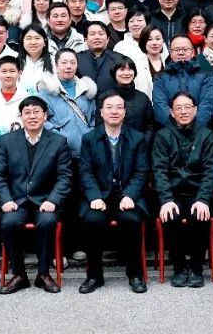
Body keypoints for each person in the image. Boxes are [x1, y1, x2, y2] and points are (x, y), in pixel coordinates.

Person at [0, 96, 74, 294]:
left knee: (47, 222)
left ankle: (43, 274)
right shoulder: (7, 141)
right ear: (20, 116)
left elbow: (65, 176)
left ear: (45, 116)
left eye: (37, 112)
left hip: (45, 200)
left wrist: (53, 200)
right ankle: (19, 274)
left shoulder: (58, 141)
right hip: (16, 201)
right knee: (8, 222)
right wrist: (6, 200)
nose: (32, 116)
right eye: (27, 112)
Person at [77, 92, 150, 294]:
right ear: (101, 112)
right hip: (100, 196)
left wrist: (130, 195)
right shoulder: (90, 138)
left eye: (119, 107)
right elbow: (85, 171)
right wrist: (94, 196)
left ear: (125, 112)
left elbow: (142, 171)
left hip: (126, 195)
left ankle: (135, 274)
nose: (114, 111)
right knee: (92, 220)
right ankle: (94, 276)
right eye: (109, 107)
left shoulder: (137, 138)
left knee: (132, 220)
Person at [151, 92, 213, 288]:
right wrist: (166, 199)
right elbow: (159, 170)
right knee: (170, 215)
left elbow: (210, 170)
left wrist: (203, 199)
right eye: (178, 108)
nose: (183, 111)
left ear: (195, 110)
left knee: (200, 215)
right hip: (173, 194)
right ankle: (179, 268)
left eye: (187, 107)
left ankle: (197, 268)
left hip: (198, 192)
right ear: (172, 112)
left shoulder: (206, 134)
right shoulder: (162, 135)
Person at [37, 48, 97, 158]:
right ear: (56, 65)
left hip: (87, 152)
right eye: (64, 63)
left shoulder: (87, 90)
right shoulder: (47, 92)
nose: (68, 66)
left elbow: (93, 117)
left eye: (72, 62)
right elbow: (40, 119)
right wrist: (59, 137)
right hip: (59, 153)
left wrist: (91, 134)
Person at [152, 35, 213, 131]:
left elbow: (208, 105)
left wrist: (193, 128)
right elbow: (160, 106)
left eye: (185, 49)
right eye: (177, 50)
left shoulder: (205, 76)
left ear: (193, 52)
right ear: (170, 53)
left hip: (199, 132)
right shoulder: (161, 78)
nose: (181, 52)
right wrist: (175, 129)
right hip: (169, 133)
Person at [109, 57, 156, 144]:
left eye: (130, 69)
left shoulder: (143, 98)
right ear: (114, 72)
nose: (126, 73)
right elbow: (101, 126)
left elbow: (150, 125)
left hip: (141, 147)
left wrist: (144, 143)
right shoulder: (106, 98)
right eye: (122, 69)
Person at [76, 22, 124, 96]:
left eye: (101, 34)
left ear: (108, 39)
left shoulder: (119, 59)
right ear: (86, 39)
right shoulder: (76, 59)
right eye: (92, 34)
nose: (97, 37)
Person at [17, 26, 53, 95]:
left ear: (45, 41)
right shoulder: (14, 62)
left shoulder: (55, 61)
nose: (33, 42)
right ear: (22, 41)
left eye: (37, 38)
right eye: (29, 38)